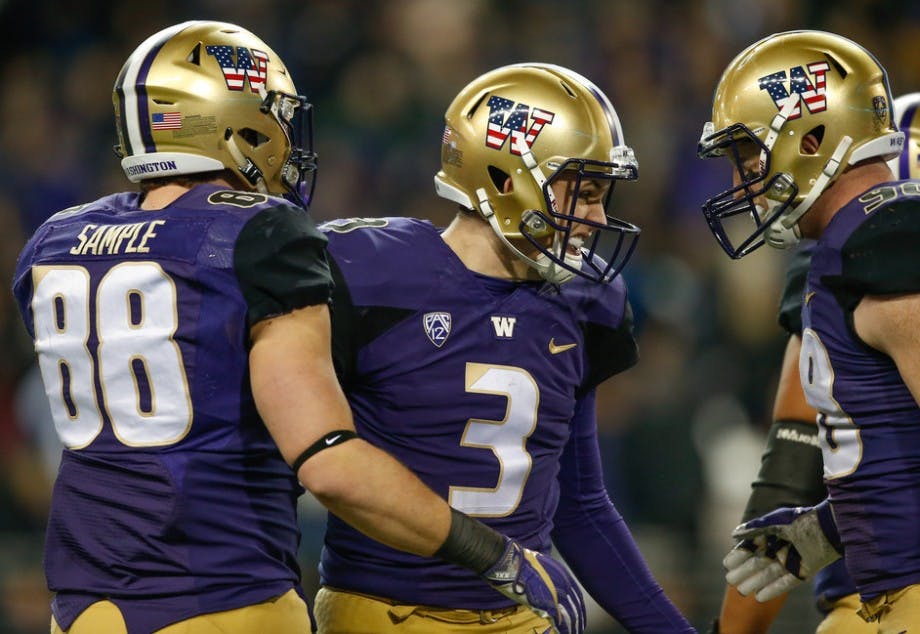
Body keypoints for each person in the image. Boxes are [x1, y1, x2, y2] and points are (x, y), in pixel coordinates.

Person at [12, 22, 584, 634]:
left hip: (82, 607)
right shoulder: (259, 233)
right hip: (223, 600)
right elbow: (327, 460)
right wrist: (496, 555)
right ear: (231, 121)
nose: (286, 137)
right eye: (274, 117)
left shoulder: (56, 239)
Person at [308, 63, 696, 633]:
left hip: (520, 614)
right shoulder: (372, 276)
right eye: (584, 193)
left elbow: (580, 504)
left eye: (602, 195)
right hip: (384, 612)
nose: (597, 218)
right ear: (507, 177)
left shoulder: (584, 300)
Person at [697, 29, 920, 633]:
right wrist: (830, 526)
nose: (740, 185)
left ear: (814, 140)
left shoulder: (895, 238)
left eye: (750, 158)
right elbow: (914, 446)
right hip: (905, 590)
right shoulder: (857, 245)